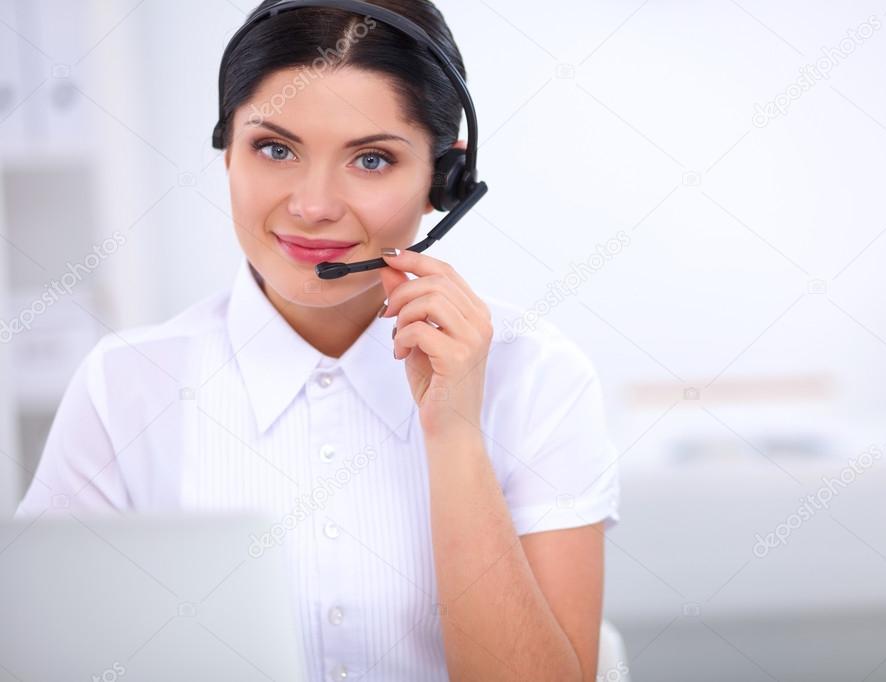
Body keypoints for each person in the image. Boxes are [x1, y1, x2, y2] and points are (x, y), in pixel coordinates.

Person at [14, 1, 620, 680]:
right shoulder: (125, 384)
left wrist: (453, 435)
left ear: (443, 182)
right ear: (227, 151)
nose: (312, 205)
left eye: (370, 159)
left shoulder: (536, 376)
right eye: (275, 148)